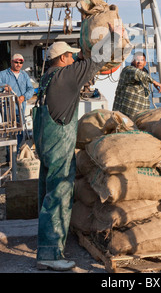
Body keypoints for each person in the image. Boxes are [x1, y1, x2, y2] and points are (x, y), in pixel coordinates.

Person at [33, 25, 124, 272]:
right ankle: (50, 254)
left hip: (45, 146)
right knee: (59, 195)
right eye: (71, 56)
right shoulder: (66, 76)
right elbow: (98, 60)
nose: (74, 58)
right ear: (62, 59)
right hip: (58, 146)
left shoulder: (48, 77)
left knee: (47, 195)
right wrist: (114, 36)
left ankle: (47, 244)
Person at [0, 53, 34, 154]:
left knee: (20, 133)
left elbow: (31, 89)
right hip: (7, 111)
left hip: (20, 109)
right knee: (9, 134)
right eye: (16, 62)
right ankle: (9, 156)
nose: (18, 64)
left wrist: (24, 97)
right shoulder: (2, 74)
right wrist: (3, 86)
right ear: (11, 62)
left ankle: (16, 154)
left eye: (20, 62)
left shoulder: (24, 75)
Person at [112, 51, 161, 120]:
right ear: (132, 61)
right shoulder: (127, 70)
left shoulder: (145, 76)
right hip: (123, 116)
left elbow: (142, 75)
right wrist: (153, 81)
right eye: (137, 60)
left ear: (145, 63)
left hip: (138, 118)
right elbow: (136, 73)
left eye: (142, 60)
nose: (139, 62)